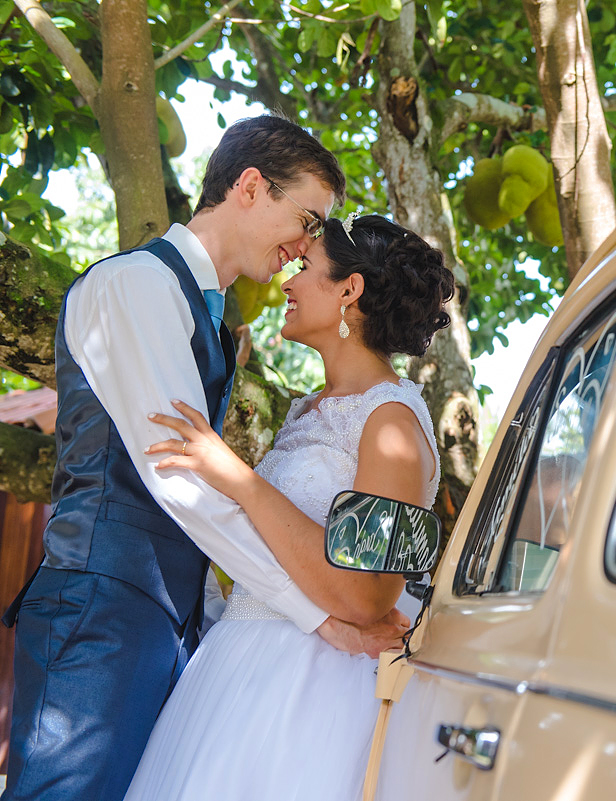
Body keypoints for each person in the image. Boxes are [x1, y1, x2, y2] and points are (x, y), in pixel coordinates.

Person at [0, 116, 405, 801]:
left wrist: (212, 618)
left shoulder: (210, 323)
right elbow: (182, 482)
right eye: (306, 219)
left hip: (165, 623)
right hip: (98, 610)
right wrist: (314, 616)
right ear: (250, 186)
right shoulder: (136, 285)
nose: (305, 247)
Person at [122, 212, 455, 801]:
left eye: (306, 267)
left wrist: (240, 480)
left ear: (349, 290)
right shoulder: (307, 408)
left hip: (314, 690)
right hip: (235, 668)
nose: (288, 282)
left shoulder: (391, 422)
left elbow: (368, 595)